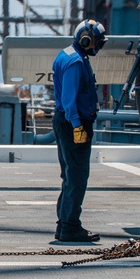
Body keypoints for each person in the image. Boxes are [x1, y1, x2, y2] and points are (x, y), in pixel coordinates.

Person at [53, 19, 107, 242]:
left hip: (66, 122)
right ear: (86, 40)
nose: (98, 47)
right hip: (73, 123)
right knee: (77, 176)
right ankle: (69, 226)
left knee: (69, 175)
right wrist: (77, 126)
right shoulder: (76, 61)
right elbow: (69, 99)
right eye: (97, 42)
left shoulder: (67, 54)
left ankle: (64, 224)